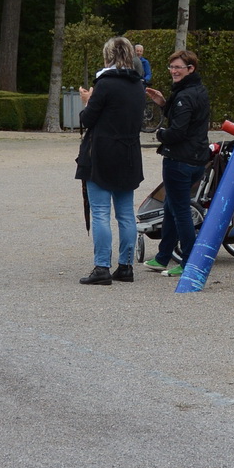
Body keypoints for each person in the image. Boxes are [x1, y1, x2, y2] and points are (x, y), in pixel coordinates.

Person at [75, 36, 146, 285]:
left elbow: (87, 119)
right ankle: (125, 266)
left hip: (103, 152)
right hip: (129, 152)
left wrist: (87, 102)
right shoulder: (138, 85)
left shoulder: (104, 84)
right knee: (125, 214)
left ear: (108, 56)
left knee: (101, 213)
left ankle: (102, 266)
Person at [144, 49, 211, 277]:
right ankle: (163, 257)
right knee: (171, 207)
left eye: (178, 67)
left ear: (190, 69)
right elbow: (189, 121)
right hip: (196, 160)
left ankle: (189, 262)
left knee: (180, 211)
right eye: (171, 67)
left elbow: (177, 132)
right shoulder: (198, 90)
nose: (174, 71)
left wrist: (160, 134)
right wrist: (164, 104)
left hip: (180, 160)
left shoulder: (184, 96)